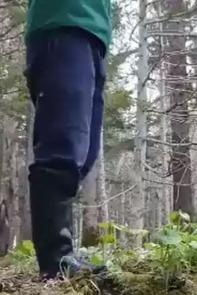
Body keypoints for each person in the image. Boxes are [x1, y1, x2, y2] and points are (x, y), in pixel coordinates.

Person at [24, 0, 112, 279]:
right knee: (62, 146)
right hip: (62, 23)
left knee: (84, 155)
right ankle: (55, 260)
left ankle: (64, 253)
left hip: (93, 35)